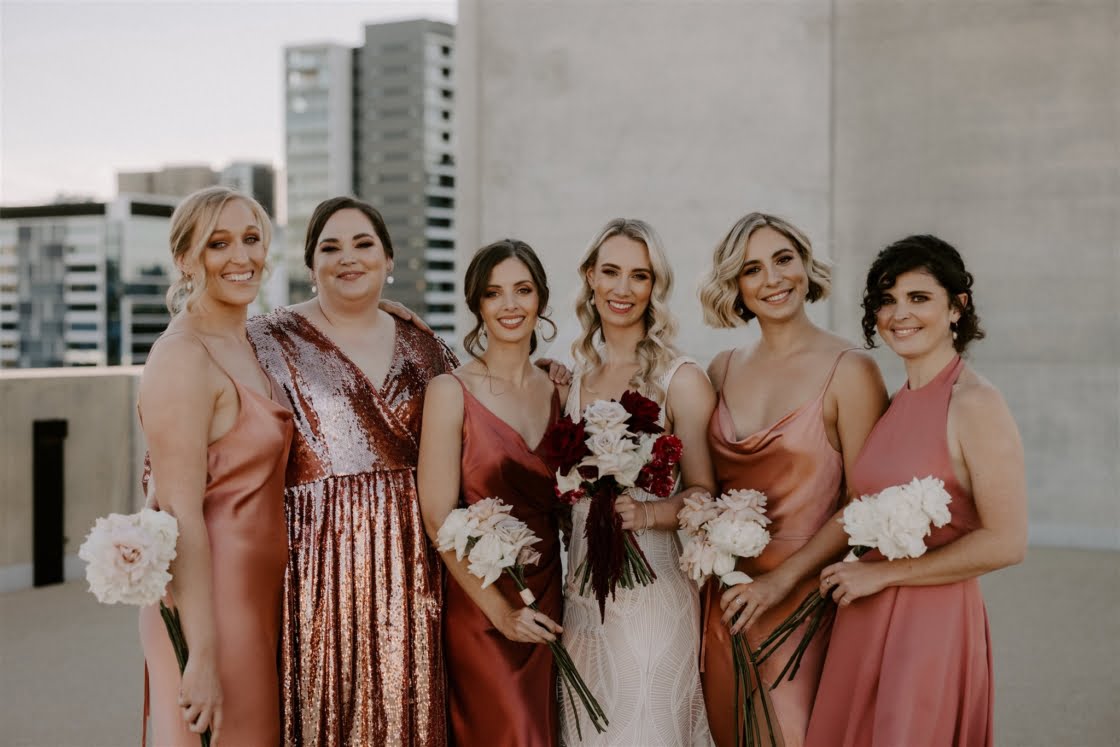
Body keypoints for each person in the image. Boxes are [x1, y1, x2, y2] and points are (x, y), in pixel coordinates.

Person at [247, 197, 457, 746]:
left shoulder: (426, 348)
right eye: (330, 247)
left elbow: (480, 414)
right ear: (310, 265)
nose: (348, 258)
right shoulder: (266, 340)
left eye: (364, 244)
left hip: (411, 565)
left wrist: (548, 373)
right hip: (313, 564)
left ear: (389, 260)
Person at [805, 235, 1027, 747]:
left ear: (957, 307)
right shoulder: (896, 402)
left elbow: (1007, 541)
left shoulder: (975, 403)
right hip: (864, 614)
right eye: (887, 300)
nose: (899, 313)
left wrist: (882, 575)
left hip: (930, 624)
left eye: (919, 297)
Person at [696, 212, 888, 747]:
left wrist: (781, 582)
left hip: (804, 600)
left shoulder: (851, 369)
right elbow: (697, 484)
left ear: (805, 264)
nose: (773, 279)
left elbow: (865, 502)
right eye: (752, 268)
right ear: (736, 285)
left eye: (783, 259)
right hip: (726, 601)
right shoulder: (721, 369)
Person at [139, 186, 293, 746]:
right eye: (218, 243)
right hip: (212, 606)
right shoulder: (182, 357)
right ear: (186, 259)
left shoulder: (248, 339)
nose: (241, 257)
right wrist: (200, 655)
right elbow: (181, 517)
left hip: (259, 596)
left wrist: (395, 312)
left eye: (251, 239)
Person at [559, 218, 716, 746]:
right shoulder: (573, 379)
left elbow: (704, 493)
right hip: (582, 605)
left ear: (655, 286)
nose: (622, 289)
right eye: (611, 272)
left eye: (639, 276)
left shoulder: (682, 379)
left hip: (649, 601)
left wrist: (647, 512)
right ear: (590, 276)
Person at [418, 239, 567, 746]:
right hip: (482, 605)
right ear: (477, 305)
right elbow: (437, 518)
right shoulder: (450, 391)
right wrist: (502, 614)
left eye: (522, 290)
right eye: (493, 293)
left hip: (551, 598)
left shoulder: (560, 389)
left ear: (540, 299)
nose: (509, 305)